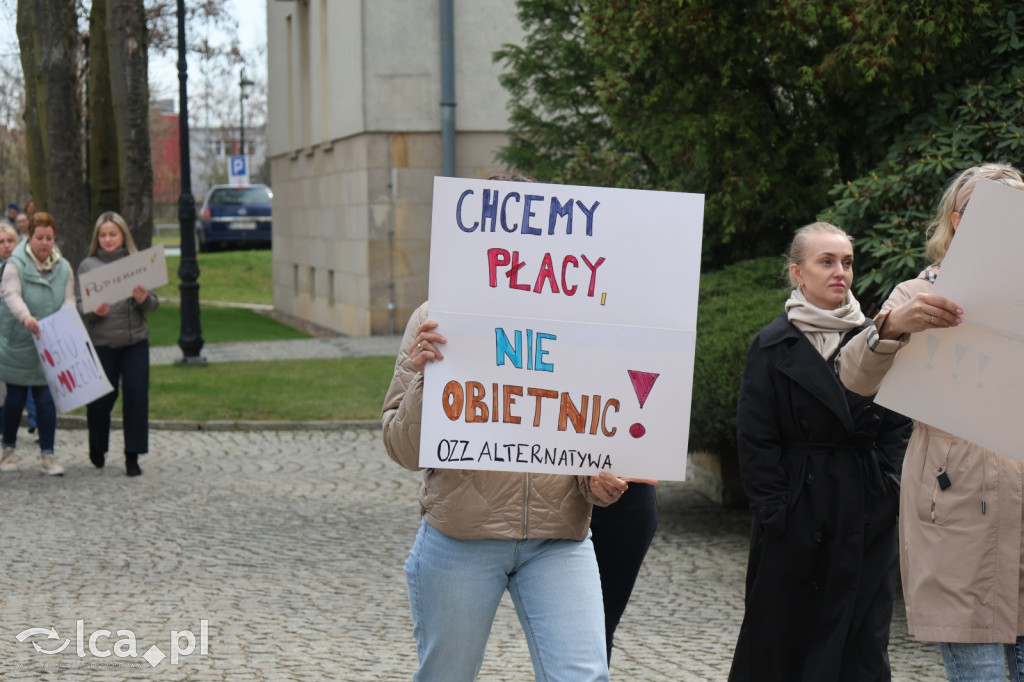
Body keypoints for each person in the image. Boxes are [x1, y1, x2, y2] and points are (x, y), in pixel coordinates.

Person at [838, 163, 1024, 681]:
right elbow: (853, 378)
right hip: (957, 515)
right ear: (960, 222)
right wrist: (893, 327)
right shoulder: (917, 293)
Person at [382, 302, 630, 681]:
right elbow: (402, 449)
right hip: (459, 539)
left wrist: (598, 484)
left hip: (559, 540)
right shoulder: (436, 316)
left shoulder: (580, 312)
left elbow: (588, 433)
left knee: (584, 675)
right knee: (446, 676)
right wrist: (426, 380)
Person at [728, 222, 913, 682]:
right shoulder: (772, 344)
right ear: (798, 273)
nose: (840, 273)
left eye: (847, 262)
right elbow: (755, 437)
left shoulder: (878, 339)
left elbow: (899, 422)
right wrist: (776, 509)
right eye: (826, 262)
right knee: (783, 642)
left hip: (862, 510)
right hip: (797, 513)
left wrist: (888, 488)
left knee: (861, 643)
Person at [77, 211, 158, 477]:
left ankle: (132, 456)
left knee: (136, 397)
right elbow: (79, 306)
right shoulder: (88, 266)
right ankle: (97, 447)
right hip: (103, 342)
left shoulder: (137, 263)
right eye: (103, 235)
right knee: (101, 401)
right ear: (96, 238)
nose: (108, 239)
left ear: (123, 235)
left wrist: (144, 298)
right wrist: (93, 311)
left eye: (113, 234)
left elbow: (154, 305)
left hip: (135, 342)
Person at [0, 212, 75, 475]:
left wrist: (62, 320)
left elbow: (69, 299)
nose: (44, 243)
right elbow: (11, 294)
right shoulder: (15, 264)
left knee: (45, 399)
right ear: (29, 237)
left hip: (48, 342)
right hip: (20, 340)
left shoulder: (64, 267)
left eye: (49, 238)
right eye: (39, 238)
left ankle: (48, 454)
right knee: (16, 397)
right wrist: (26, 318)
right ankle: (7, 448)